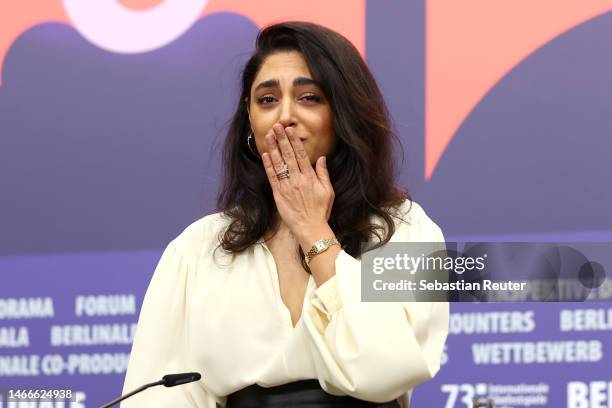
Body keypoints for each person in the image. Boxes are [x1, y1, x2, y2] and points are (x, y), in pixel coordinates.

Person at [122, 21, 448, 407]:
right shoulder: (197, 248)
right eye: (267, 100)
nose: (285, 116)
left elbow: (386, 371)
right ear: (249, 118)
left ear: (343, 113)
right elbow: (159, 398)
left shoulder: (407, 229)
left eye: (309, 97)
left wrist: (313, 230)